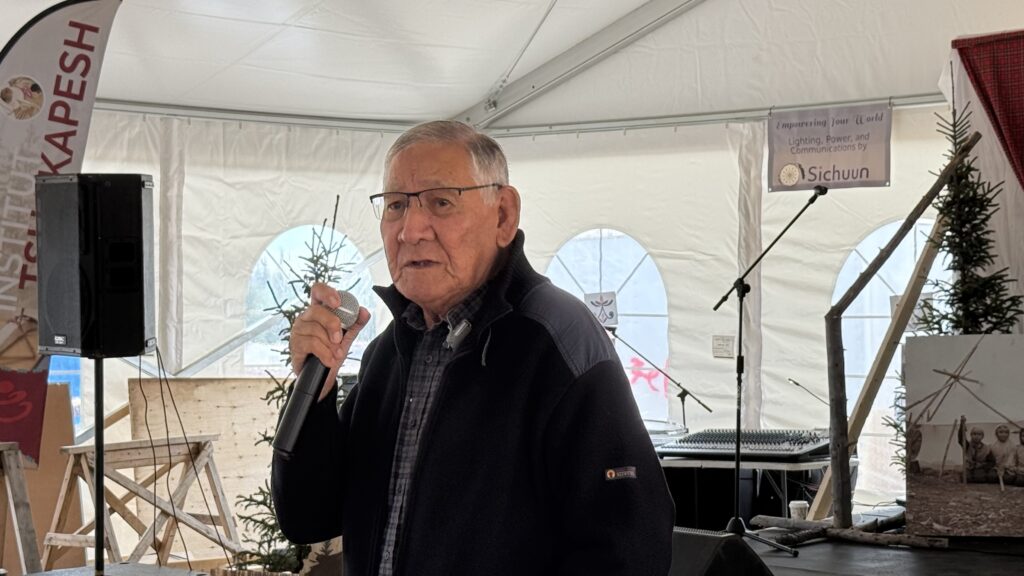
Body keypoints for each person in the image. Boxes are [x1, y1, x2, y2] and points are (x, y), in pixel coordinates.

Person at [272, 120, 675, 575]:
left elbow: (628, 550)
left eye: (441, 203)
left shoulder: (560, 341)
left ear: (503, 215)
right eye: (396, 205)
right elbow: (308, 516)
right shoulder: (389, 352)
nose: (410, 230)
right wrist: (317, 397)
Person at [957, 416, 996, 483]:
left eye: (979, 434)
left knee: (980, 478)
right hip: (969, 467)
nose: (976, 436)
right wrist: (962, 424)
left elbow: (991, 462)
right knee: (966, 478)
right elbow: (961, 438)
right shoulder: (967, 445)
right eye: (974, 434)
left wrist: (983, 466)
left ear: (982, 436)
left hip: (980, 468)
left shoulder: (987, 448)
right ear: (971, 435)